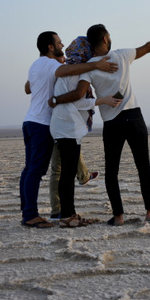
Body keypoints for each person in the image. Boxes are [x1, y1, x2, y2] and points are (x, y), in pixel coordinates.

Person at [49, 25, 150, 226]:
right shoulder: (121, 55)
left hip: (112, 122)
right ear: (105, 39)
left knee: (112, 171)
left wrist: (55, 100)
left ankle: (118, 216)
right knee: (143, 166)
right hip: (133, 115)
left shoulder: (89, 68)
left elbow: (79, 94)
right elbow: (148, 47)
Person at [20, 31, 117, 229]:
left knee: (30, 170)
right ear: (50, 47)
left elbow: (27, 88)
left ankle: (28, 211)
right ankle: (30, 215)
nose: (62, 44)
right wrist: (96, 65)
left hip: (30, 120)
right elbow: (69, 74)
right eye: (58, 42)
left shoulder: (36, 65)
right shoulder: (53, 65)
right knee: (36, 172)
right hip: (42, 124)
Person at [50, 36, 122, 228]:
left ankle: (68, 213)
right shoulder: (75, 74)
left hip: (65, 125)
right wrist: (102, 100)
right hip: (68, 126)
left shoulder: (70, 71)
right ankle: (68, 216)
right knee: (67, 172)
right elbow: (77, 99)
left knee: (67, 171)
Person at [25, 56, 100, 221]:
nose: (64, 60)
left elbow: (27, 88)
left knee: (56, 167)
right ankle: (60, 212)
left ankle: (56, 210)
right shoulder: (58, 71)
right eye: (61, 58)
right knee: (57, 169)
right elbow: (77, 97)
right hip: (53, 122)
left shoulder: (43, 69)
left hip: (49, 122)